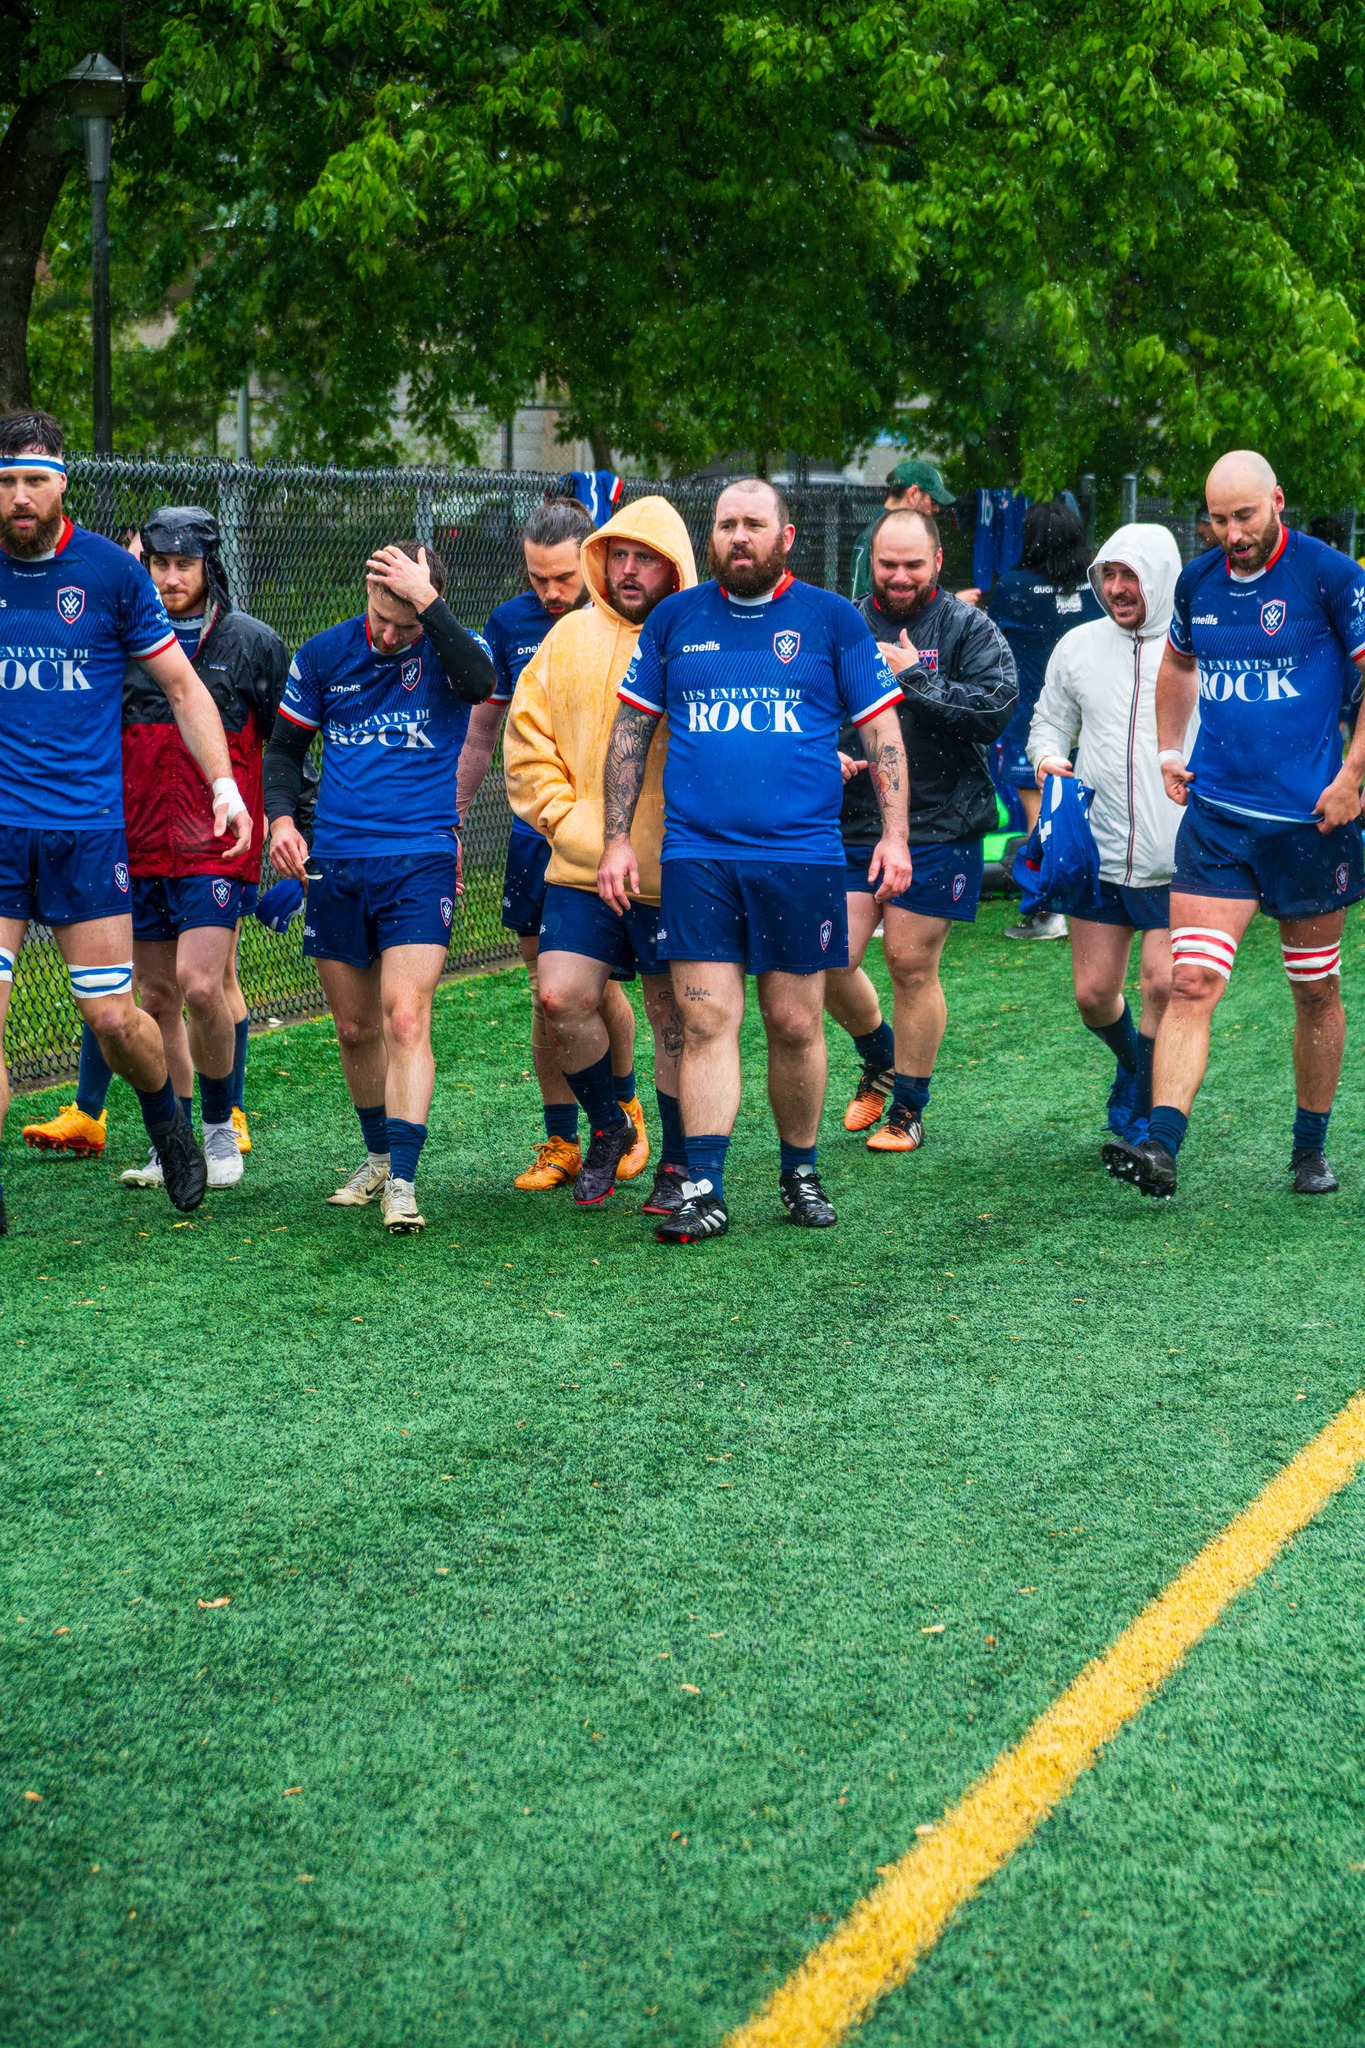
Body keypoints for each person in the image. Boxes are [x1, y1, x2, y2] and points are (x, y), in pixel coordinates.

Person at [599, 477, 911, 1244]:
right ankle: (703, 1185)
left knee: (795, 1022)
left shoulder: (830, 620)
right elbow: (630, 736)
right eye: (725, 525)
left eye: (752, 525)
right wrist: (613, 838)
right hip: (698, 857)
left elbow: (882, 736)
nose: (738, 537)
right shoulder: (675, 619)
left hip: (801, 857)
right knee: (706, 1023)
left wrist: (895, 834)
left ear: (785, 536)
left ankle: (798, 1170)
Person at [0, 410, 251, 1233]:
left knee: (112, 1016)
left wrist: (223, 784)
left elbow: (183, 688)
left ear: (63, 482)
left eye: (34, 478)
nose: (18, 496)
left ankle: (165, 1119)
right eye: (5, 481)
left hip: (86, 833)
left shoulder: (110, 573)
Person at [1104, 449, 1365, 1201]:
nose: (1231, 533)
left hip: (1308, 828)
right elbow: (1179, 665)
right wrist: (1165, 748)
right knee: (1188, 982)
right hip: (1218, 821)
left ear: (1276, 500)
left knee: (1313, 992)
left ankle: (1308, 1147)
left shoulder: (1328, 576)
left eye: (1243, 515)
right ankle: (1160, 1145)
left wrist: (1351, 778)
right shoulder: (1197, 581)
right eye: (1217, 519)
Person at [22, 507, 289, 1188]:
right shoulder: (112, 639)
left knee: (204, 985)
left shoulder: (252, 643)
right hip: (132, 840)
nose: (169, 578)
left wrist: (289, 821)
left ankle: (222, 1129)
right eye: (157, 565)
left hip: (214, 843)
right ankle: (171, 1136)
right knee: (158, 996)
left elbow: (286, 746)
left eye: (183, 565)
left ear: (209, 566)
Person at [264, 539, 496, 1234]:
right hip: (337, 860)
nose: (388, 634)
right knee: (355, 1027)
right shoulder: (326, 653)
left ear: (429, 607)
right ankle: (373, 1156)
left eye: (405, 622)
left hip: (420, 858)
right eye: (379, 616)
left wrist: (429, 606)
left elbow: (483, 684)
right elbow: (284, 748)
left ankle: (403, 1178)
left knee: (403, 1018)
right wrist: (280, 819)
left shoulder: (456, 650)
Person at [505, 495, 698, 1211]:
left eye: (644, 557)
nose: (626, 569)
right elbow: (526, 745)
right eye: (617, 554)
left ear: (673, 565)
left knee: (671, 1015)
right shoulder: (567, 640)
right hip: (584, 864)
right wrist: (570, 821)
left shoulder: (700, 635)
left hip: (676, 867)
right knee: (560, 996)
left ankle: (677, 1165)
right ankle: (609, 1126)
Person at [457, 494, 644, 1191]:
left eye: (563, 577)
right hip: (541, 834)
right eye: (538, 579)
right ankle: (563, 1138)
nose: (551, 593)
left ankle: (621, 1105)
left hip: (626, 837)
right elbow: (484, 731)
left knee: (602, 986)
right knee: (549, 993)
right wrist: (453, 816)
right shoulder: (510, 624)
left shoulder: (636, 619)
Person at [825, 507, 1017, 1149]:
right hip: (853, 819)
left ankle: (908, 1106)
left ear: (937, 561)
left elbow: (996, 710)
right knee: (829, 960)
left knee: (909, 961)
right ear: (870, 562)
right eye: (888, 564)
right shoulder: (842, 620)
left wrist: (916, 679)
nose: (900, 576)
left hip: (941, 822)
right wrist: (825, 748)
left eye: (912, 564)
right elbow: (803, 701)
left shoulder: (969, 626)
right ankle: (879, 1056)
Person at [1026, 522, 1191, 1144]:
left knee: (1160, 983)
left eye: (1131, 576)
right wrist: (1048, 759)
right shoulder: (1077, 646)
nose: (1118, 589)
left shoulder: (1198, 647)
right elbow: (1047, 725)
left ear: (1161, 578)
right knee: (1095, 995)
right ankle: (1133, 1064)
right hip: (1093, 851)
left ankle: (1146, 1110)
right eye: (1109, 575)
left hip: (1175, 853)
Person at [989, 498, 1104, 942]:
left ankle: (1052, 910)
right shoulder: (1097, 586)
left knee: (1044, 816)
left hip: (1034, 717)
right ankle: (1091, 904)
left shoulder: (1014, 585)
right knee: (1088, 811)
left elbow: (993, 642)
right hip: (1089, 714)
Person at [850, 460, 976, 605]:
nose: (936, 509)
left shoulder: (874, 533)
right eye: (933, 501)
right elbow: (886, 607)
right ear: (913, 493)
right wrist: (951, 607)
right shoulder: (885, 537)